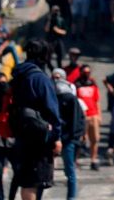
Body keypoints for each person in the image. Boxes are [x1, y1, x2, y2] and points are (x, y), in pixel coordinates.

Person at [11, 40, 63, 200]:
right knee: (33, 183)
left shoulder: (19, 75)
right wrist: (57, 136)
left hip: (22, 132)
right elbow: (52, 110)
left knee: (27, 181)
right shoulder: (39, 78)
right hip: (39, 136)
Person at [54, 69, 85, 200]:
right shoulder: (52, 96)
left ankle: (71, 197)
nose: (55, 81)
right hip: (55, 138)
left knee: (70, 170)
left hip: (68, 140)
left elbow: (78, 120)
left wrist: (74, 138)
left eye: (58, 77)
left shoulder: (70, 98)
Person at [75, 65, 101, 170]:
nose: (86, 74)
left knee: (95, 139)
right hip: (82, 116)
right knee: (80, 139)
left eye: (88, 72)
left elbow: (97, 101)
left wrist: (99, 115)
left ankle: (93, 160)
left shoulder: (93, 85)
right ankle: (75, 160)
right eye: (84, 72)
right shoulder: (76, 85)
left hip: (93, 114)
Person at [45, 6, 68, 71]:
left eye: (57, 10)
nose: (56, 12)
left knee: (60, 57)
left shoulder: (61, 19)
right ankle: (52, 70)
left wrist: (57, 30)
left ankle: (60, 70)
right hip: (50, 40)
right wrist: (49, 20)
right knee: (47, 58)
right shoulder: (49, 19)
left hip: (58, 40)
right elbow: (46, 29)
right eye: (54, 10)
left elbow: (65, 31)